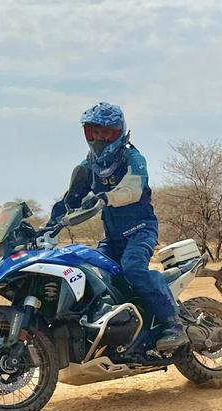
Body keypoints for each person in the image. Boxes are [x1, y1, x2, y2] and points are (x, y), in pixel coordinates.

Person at [49, 102, 186, 352]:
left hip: (141, 230)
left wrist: (105, 198)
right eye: (94, 132)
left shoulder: (133, 158)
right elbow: (71, 200)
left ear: (118, 131)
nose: (100, 137)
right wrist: (47, 227)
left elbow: (133, 190)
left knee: (133, 268)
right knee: (92, 271)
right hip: (112, 237)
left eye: (106, 132)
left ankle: (173, 325)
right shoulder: (88, 166)